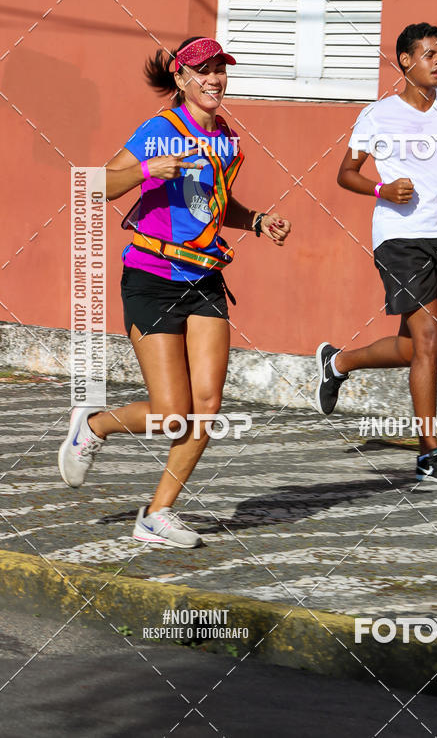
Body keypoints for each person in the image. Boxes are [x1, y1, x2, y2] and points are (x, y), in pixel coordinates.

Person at [58, 36, 291, 546]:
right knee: (171, 414)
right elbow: (94, 184)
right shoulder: (160, 131)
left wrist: (256, 220)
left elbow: (211, 205)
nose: (214, 79)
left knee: (206, 406)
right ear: (181, 78)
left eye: (220, 70)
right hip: (151, 278)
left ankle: (157, 514)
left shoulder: (226, 139)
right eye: (202, 71)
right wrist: (148, 170)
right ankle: (95, 425)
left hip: (205, 278)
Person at [315, 22, 437, 483]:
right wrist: (382, 189)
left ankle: (338, 362)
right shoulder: (377, 115)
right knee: (430, 342)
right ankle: (429, 453)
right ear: (405, 61)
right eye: (430, 54)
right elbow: (345, 173)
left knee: (413, 348)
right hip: (397, 238)